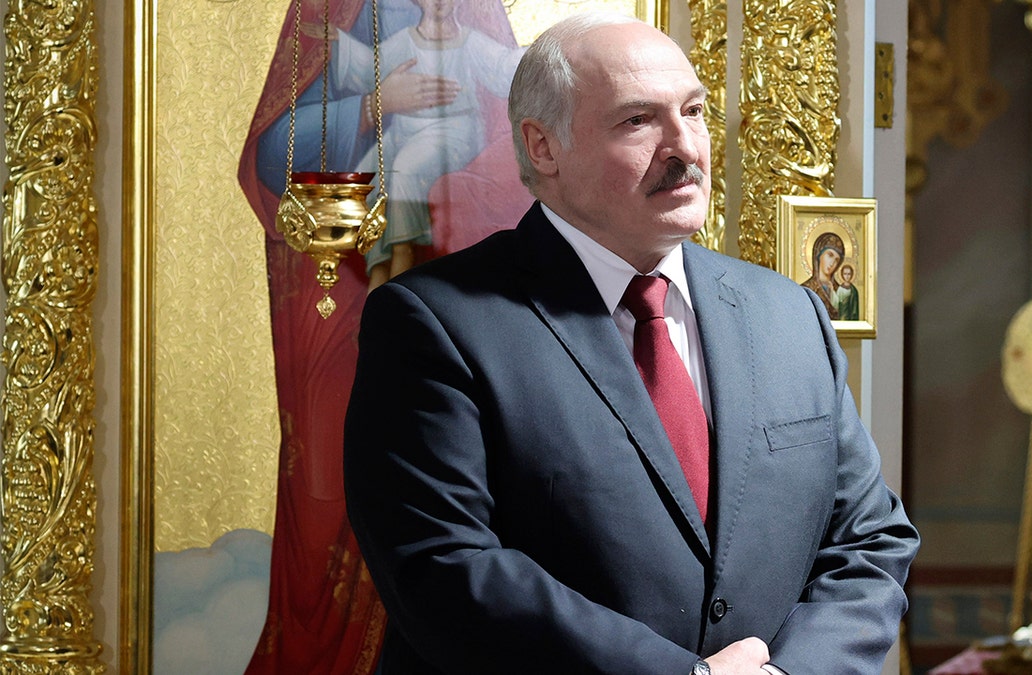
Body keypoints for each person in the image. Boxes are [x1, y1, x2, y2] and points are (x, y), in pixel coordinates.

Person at [344, 11, 918, 675]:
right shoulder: (431, 323)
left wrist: (794, 672)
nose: (686, 147)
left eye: (695, 111)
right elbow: (443, 568)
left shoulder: (790, 313)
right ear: (543, 146)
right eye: (639, 120)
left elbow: (870, 539)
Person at [236, 0, 524, 671]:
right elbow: (275, 152)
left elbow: (522, 127)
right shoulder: (327, 8)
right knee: (330, 476)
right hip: (338, 282)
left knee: (444, 470)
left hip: (444, 281)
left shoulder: (470, 8)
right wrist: (372, 105)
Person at [329, 0, 525, 286]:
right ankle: (379, 271)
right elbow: (370, 69)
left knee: (405, 169)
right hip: (406, 131)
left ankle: (401, 259)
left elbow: (502, 68)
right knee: (367, 177)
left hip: (453, 129)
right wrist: (340, 42)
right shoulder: (406, 41)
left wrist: (533, 55)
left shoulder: (469, 42)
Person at [800, 231, 845, 320]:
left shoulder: (840, 291)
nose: (832, 263)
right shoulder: (805, 289)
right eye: (830, 255)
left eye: (836, 260)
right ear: (819, 254)